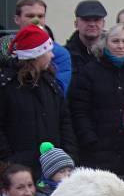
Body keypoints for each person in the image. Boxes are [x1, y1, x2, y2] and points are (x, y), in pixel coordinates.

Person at [69, 23, 124, 190]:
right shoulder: (89, 72)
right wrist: (90, 139)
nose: (120, 46)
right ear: (105, 43)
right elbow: (78, 110)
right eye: (115, 41)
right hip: (97, 151)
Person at [0, 24, 77, 176]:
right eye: (49, 51)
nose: (52, 56)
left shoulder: (51, 84)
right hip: (17, 172)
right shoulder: (6, 87)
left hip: (53, 170)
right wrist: (9, 161)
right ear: (36, 55)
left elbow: (65, 122)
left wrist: (69, 155)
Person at [0, 0, 72, 94]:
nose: (36, 21)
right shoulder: (4, 47)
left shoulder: (59, 53)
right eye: (30, 16)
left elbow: (59, 93)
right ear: (17, 19)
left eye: (40, 16)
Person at [65, 0, 105, 79]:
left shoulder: (113, 52)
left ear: (103, 23)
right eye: (86, 20)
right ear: (76, 24)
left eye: (97, 20)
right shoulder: (66, 55)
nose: (92, 24)